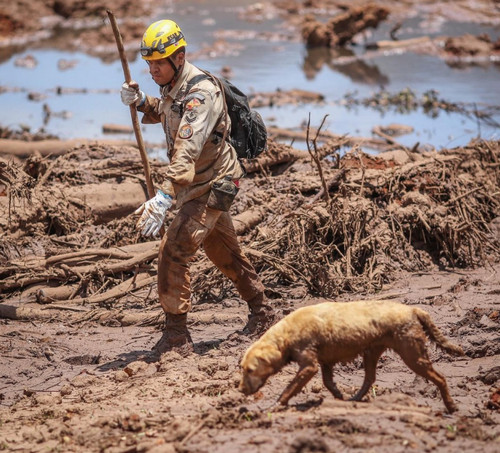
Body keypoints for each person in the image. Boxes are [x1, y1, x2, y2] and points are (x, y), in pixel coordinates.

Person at [120, 19, 275, 355]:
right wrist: (142, 100)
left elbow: (187, 151)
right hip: (200, 181)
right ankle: (263, 314)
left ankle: (176, 336)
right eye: (149, 64)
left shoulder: (201, 94)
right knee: (223, 251)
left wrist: (163, 196)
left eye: (158, 63)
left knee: (174, 250)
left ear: (180, 57)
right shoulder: (175, 84)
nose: (152, 70)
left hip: (213, 183)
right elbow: (165, 111)